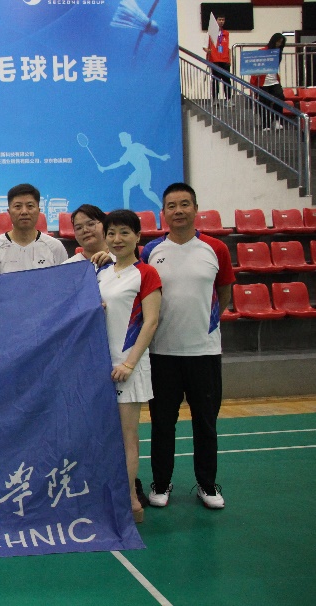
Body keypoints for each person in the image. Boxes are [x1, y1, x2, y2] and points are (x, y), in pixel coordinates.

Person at [140, 183, 235, 510]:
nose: (178, 211)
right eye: (171, 206)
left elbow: (224, 291)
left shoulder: (216, 249)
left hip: (204, 353)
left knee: (205, 423)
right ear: (163, 213)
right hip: (161, 354)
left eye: (184, 204)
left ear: (195, 208)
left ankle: (207, 485)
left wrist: (208, 324)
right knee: (162, 424)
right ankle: (161, 483)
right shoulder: (150, 251)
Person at [95, 210, 161, 523]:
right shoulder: (101, 272)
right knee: (103, 436)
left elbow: (151, 322)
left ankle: (130, 499)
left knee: (127, 437)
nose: (117, 239)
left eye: (124, 232)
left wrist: (130, 363)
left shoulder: (146, 273)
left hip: (127, 367)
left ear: (137, 236)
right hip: (98, 366)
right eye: (111, 233)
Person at [0, 184, 67, 273]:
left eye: (30, 206)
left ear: (39, 211)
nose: (24, 212)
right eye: (18, 206)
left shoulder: (55, 247)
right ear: (9, 212)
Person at [98, 133, 170, 210]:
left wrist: (160, 157)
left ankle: (161, 206)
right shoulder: (127, 154)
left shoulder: (136, 146)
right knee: (127, 186)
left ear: (126, 140)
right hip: (139, 172)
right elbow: (118, 164)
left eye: (122, 140)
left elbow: (147, 151)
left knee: (145, 191)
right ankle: (126, 209)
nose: (121, 141)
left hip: (144, 171)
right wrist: (105, 168)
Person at [251, 34, 287, 132]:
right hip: (263, 82)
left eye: (281, 42)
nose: (279, 44)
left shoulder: (278, 52)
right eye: (278, 41)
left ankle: (276, 120)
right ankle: (265, 124)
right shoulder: (262, 51)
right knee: (264, 102)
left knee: (280, 97)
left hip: (274, 80)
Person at [206, 14, 232, 104]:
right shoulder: (211, 33)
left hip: (225, 60)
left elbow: (227, 48)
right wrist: (209, 54)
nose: (221, 21)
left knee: (227, 80)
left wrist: (229, 60)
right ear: (216, 20)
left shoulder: (226, 33)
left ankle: (228, 99)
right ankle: (215, 99)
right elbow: (207, 46)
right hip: (215, 59)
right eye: (219, 19)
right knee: (215, 80)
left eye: (223, 20)